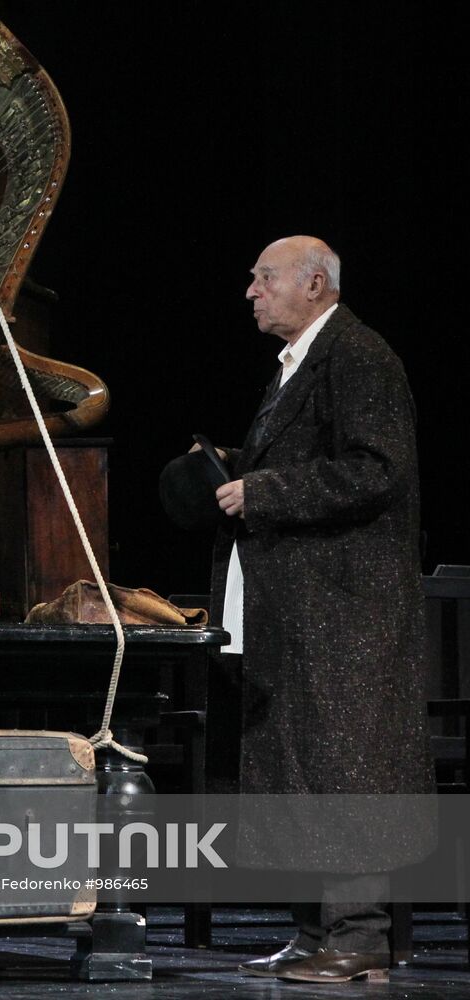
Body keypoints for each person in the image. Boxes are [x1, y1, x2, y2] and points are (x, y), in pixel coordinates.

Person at [209, 236, 434, 983]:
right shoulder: (300, 362)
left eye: (264, 278)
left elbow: (379, 466)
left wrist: (264, 491)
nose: (251, 291)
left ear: (314, 283)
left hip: (346, 611)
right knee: (303, 772)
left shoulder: (359, 356)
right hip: (302, 607)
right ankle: (315, 934)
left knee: (345, 773)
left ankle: (359, 935)